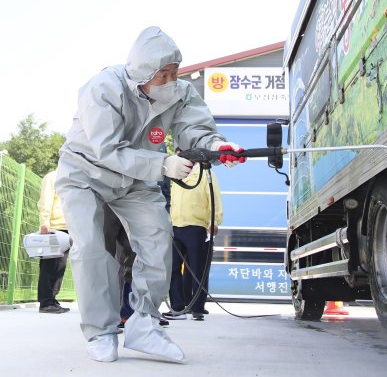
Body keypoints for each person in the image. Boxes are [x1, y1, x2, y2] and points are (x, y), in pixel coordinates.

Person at [55, 26, 246, 364]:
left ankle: (143, 323)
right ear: (143, 73)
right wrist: (163, 163)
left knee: (158, 237)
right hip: (86, 173)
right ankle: (101, 330)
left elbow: (194, 129)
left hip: (136, 180)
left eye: (175, 72)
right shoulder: (102, 89)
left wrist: (217, 146)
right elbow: (108, 150)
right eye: (164, 74)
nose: (172, 80)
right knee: (89, 247)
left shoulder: (179, 92)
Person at [162, 162, 223, 322]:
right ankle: (178, 308)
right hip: (175, 226)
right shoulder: (175, 175)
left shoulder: (205, 174)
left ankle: (197, 308)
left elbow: (214, 197)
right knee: (173, 267)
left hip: (196, 226)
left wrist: (214, 220)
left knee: (198, 269)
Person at [37, 170, 70, 314]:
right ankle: (45, 302)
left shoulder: (72, 177)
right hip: (53, 227)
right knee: (49, 266)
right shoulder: (52, 177)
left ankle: (52, 299)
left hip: (67, 227)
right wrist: (44, 222)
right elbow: (46, 200)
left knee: (60, 266)